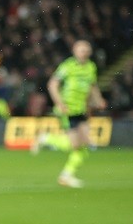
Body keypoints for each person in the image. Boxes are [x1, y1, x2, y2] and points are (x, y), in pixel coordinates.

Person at [31, 40, 106, 188]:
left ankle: (66, 175)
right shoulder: (68, 66)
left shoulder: (91, 67)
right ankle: (46, 138)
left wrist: (99, 100)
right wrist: (59, 103)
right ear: (74, 51)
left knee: (86, 143)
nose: (83, 52)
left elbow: (92, 86)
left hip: (81, 110)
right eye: (81, 50)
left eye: (86, 50)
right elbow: (52, 84)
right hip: (67, 110)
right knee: (75, 145)